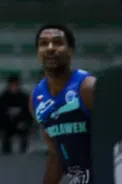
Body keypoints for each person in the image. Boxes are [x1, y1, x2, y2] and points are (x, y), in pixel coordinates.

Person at [30, 24, 95, 184]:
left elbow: (116, 140)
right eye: (43, 43)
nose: (50, 48)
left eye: (58, 42)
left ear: (71, 50)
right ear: (38, 52)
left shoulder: (88, 88)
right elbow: (56, 152)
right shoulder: (36, 98)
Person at [0, 74, 31, 153]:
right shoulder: (2, 98)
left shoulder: (24, 98)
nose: (14, 87)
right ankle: (6, 153)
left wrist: (25, 123)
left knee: (24, 134)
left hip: (21, 124)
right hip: (7, 125)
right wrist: (1, 127)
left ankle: (23, 153)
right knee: (5, 135)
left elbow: (29, 114)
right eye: (12, 85)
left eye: (15, 85)